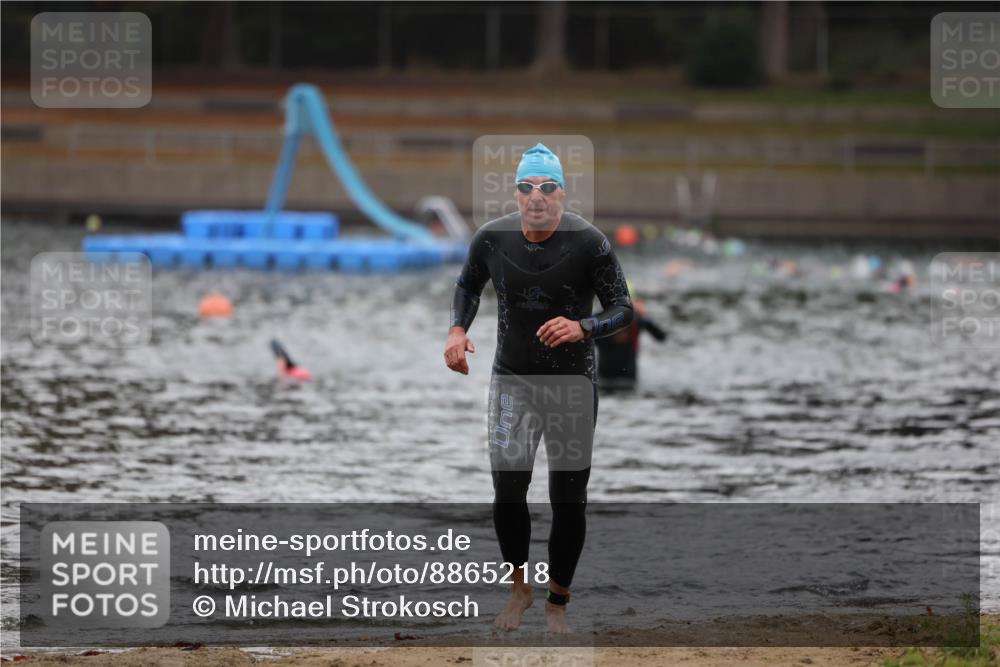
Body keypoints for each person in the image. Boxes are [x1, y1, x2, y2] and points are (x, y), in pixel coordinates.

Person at [443, 143, 634, 633]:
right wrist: (457, 331)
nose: (537, 197)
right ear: (515, 193)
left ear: (563, 195)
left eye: (547, 188)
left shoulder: (589, 243)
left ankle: (557, 604)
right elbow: (468, 286)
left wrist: (583, 328)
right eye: (527, 187)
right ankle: (519, 589)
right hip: (512, 380)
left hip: (572, 384)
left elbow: (622, 309)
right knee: (508, 491)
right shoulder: (492, 239)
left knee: (568, 497)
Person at [596, 282, 667, 391]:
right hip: (615, 380)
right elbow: (661, 337)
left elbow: (661, 337)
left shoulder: (598, 321)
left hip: (618, 381)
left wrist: (645, 316)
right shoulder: (637, 319)